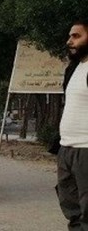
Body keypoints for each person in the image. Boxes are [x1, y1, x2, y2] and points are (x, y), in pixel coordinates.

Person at [57, 19, 88, 230]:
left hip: (85, 149)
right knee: (71, 209)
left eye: (76, 36)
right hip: (66, 148)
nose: (70, 41)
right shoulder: (75, 68)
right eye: (70, 36)